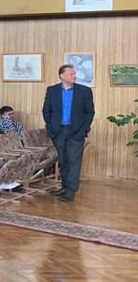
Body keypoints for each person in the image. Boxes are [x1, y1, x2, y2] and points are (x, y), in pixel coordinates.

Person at [42, 64, 94, 202]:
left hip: (76, 132)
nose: (75, 76)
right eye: (72, 74)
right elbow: (46, 111)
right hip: (58, 132)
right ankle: (64, 187)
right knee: (63, 161)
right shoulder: (52, 90)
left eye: (74, 73)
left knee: (74, 162)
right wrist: (50, 127)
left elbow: (90, 113)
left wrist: (83, 131)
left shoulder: (85, 91)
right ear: (62, 76)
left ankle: (71, 191)